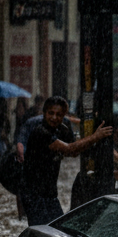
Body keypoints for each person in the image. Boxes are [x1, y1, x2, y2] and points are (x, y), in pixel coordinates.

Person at [19, 96, 112, 226]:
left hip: (49, 193)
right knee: (42, 233)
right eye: (51, 113)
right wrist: (95, 137)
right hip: (34, 195)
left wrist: (91, 136)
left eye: (58, 114)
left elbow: (74, 151)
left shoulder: (61, 129)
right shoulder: (40, 132)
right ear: (44, 113)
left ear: (63, 116)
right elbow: (68, 149)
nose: (54, 117)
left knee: (59, 229)